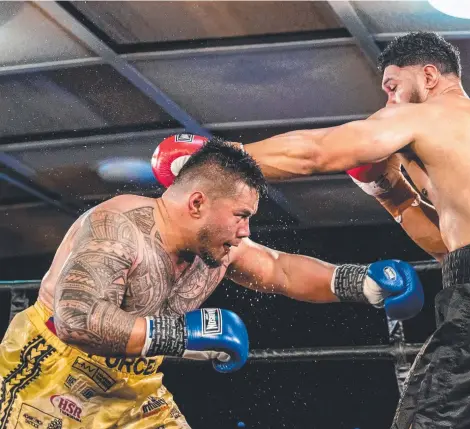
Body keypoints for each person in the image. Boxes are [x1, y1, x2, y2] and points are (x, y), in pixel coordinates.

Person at [161, 32, 470, 428]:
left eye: (393, 87)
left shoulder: (419, 116)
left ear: (429, 75)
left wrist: (214, 160)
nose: (388, 102)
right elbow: (452, 249)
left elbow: (317, 153)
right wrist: (389, 194)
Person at [0, 139, 424, 429]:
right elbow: (77, 318)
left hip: (135, 386)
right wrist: (181, 334)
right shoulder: (119, 226)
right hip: (51, 373)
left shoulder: (217, 247)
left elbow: (280, 270)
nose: (245, 230)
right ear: (198, 202)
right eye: (240, 215)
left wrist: (360, 281)